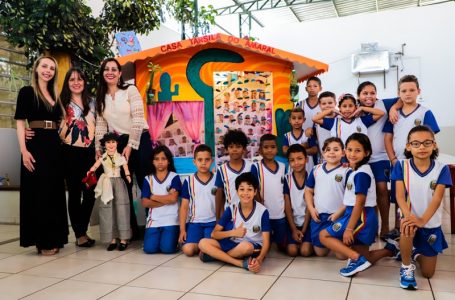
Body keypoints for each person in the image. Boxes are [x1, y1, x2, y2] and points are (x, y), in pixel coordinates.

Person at [319, 133, 398, 277]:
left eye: (357, 150)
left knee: (324, 236)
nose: (352, 154)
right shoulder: (356, 170)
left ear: (366, 153)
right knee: (364, 257)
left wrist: (349, 228)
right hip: (358, 215)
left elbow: (359, 203)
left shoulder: (361, 174)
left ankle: (356, 258)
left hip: (361, 217)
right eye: (349, 150)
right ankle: (390, 249)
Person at [14, 56, 68, 255]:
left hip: (54, 146)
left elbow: (60, 122)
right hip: (35, 146)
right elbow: (20, 122)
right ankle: (43, 241)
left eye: (52, 68)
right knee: (40, 193)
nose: (48, 70)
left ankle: (55, 237)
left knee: (54, 192)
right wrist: (23, 150)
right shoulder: (27, 92)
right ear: (36, 68)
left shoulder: (55, 93)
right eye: (44, 66)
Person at [95, 57, 152, 240]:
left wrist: (131, 145)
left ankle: (153, 224)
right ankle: (130, 230)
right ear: (103, 73)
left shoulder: (130, 90)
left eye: (114, 69)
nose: (110, 72)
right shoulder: (100, 97)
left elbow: (137, 117)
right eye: (106, 69)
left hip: (139, 138)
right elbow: (100, 125)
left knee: (145, 181)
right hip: (118, 142)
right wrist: (99, 148)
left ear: (120, 73)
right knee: (123, 186)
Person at [392, 126, 451, 289]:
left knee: (428, 273)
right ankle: (405, 266)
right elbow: (399, 196)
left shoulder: (441, 168)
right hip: (409, 215)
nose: (422, 147)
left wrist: (422, 220)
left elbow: (437, 199)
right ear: (408, 146)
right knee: (407, 227)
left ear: (434, 145)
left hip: (429, 221)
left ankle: (414, 253)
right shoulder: (401, 166)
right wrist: (410, 217)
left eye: (427, 143)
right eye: (416, 143)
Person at [383, 75, 440, 241]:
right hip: (399, 163)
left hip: (418, 163)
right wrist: (393, 159)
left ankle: (421, 225)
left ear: (418, 91)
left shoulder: (424, 112)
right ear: (398, 93)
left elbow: (430, 137)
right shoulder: (394, 115)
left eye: (411, 90)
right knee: (398, 195)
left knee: (417, 194)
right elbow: (387, 138)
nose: (408, 93)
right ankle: (397, 227)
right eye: (404, 90)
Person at [198, 172, 270, 273]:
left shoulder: (263, 211)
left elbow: (266, 241)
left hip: (251, 246)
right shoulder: (232, 208)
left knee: (246, 246)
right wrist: (233, 233)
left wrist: (259, 260)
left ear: (255, 191)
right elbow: (214, 234)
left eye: (249, 189)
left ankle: (215, 256)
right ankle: (240, 263)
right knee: (202, 243)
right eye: (241, 189)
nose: (245, 193)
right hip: (233, 243)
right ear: (237, 191)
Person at [58, 68, 97, 248]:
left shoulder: (93, 102)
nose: (76, 82)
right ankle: (80, 234)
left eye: (80, 79)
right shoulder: (60, 103)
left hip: (90, 153)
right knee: (74, 193)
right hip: (69, 152)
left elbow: (99, 126)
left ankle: (81, 229)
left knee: (90, 193)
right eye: (72, 79)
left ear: (84, 82)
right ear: (67, 83)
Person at [356, 81, 399, 240]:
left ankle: (385, 226)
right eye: (365, 93)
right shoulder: (355, 109)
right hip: (362, 158)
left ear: (376, 94)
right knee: (367, 192)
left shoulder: (383, 103)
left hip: (380, 157)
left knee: (382, 189)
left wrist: (394, 108)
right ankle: (371, 225)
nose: (369, 96)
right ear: (358, 95)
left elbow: (400, 99)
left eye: (372, 93)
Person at [305, 137, 349, 257]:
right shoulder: (316, 169)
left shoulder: (346, 171)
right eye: (328, 149)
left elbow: (350, 197)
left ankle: (341, 243)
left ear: (343, 153)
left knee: (342, 256)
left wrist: (338, 213)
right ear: (323, 153)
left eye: (336, 149)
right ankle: (330, 243)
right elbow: (308, 191)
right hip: (319, 217)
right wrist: (311, 208)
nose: (331, 152)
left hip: (338, 217)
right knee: (320, 253)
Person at [89, 132, 132, 251]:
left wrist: (128, 175)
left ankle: (123, 238)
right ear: (104, 144)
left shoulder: (121, 157)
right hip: (107, 184)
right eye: (108, 142)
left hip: (118, 183)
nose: (111, 144)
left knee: (121, 208)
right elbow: (96, 166)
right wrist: (91, 171)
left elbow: (125, 167)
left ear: (117, 143)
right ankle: (112, 239)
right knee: (108, 210)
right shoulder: (103, 157)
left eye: (113, 142)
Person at [141, 146, 182, 254]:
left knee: (167, 249)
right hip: (154, 220)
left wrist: (153, 197)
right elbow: (145, 202)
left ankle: (172, 241)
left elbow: (173, 199)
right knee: (149, 250)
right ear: (152, 162)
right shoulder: (147, 179)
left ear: (168, 161)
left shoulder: (174, 177)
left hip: (171, 220)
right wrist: (166, 199)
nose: (160, 162)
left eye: (163, 159)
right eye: (157, 159)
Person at [179, 144, 217, 256]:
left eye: (207, 160)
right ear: (194, 162)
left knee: (210, 246)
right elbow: (184, 207)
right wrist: (182, 230)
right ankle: (202, 247)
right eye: (200, 160)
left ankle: (204, 247)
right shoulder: (189, 181)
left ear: (212, 161)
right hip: (195, 223)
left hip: (212, 222)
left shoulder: (217, 179)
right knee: (188, 250)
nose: (204, 163)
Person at [252, 134, 288, 252]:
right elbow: (254, 189)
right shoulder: (255, 167)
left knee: (282, 247)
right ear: (260, 150)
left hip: (280, 214)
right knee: (264, 247)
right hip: (263, 214)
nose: (269, 150)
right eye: (266, 147)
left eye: (272, 147)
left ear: (277, 149)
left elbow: (285, 191)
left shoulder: (283, 167)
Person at [313, 93, 384, 146]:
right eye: (344, 106)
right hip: (341, 159)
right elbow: (315, 119)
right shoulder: (334, 122)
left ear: (355, 107)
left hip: (360, 158)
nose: (347, 109)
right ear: (339, 108)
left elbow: (381, 113)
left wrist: (362, 108)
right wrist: (332, 110)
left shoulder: (362, 120)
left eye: (350, 106)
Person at [215, 130, 252, 219]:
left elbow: (256, 190)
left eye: (238, 146)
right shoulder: (222, 169)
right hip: (230, 215)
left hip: (250, 213)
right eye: (231, 147)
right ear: (227, 149)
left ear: (244, 149)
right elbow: (219, 194)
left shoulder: (251, 166)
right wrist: (218, 218)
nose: (234, 149)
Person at [284, 144, 312, 257]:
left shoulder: (312, 178)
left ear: (306, 159)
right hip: (291, 223)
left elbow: (310, 207)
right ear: (289, 162)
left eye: (300, 159)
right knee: (292, 251)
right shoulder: (286, 179)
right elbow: (287, 207)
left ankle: (305, 240)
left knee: (305, 251)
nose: (296, 163)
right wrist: (294, 230)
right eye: (292, 160)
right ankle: (292, 240)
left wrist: (304, 230)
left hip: (308, 223)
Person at [282, 107, 318, 174]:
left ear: (304, 120)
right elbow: (284, 151)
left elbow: (314, 150)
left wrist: (293, 149)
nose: (296, 121)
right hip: (293, 169)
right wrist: (302, 146)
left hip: (308, 168)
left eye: (299, 118)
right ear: (289, 120)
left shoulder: (308, 134)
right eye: (293, 118)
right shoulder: (287, 136)